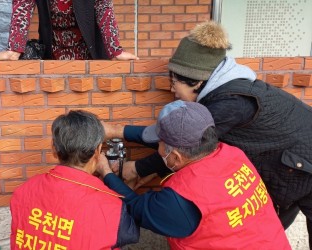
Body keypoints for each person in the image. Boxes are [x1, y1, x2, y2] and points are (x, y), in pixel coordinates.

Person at [103, 20, 312, 246]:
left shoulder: (229, 105)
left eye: (174, 82)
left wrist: (135, 168)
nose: (172, 89)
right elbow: (174, 139)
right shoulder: (224, 93)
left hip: (302, 166)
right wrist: (117, 131)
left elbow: (179, 144)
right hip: (290, 168)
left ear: (198, 81)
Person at [98, 100, 291, 249]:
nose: (157, 148)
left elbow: (135, 206)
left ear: (175, 157)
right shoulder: (233, 154)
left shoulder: (181, 199)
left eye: (159, 144)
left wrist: (106, 172)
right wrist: (116, 130)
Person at [9, 110, 139, 249]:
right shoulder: (112, 206)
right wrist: (122, 181)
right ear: (98, 150)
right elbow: (129, 233)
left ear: (54, 148)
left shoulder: (23, 191)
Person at [0, 0, 139, 61]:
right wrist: (15, 48)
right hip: (54, 50)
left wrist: (115, 50)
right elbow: (22, 7)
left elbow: (104, 10)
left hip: (87, 50)